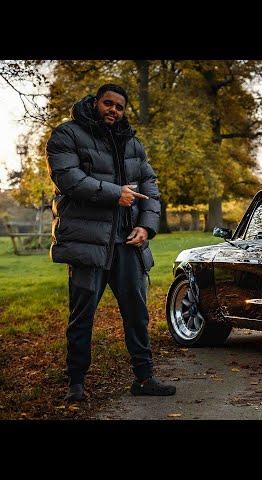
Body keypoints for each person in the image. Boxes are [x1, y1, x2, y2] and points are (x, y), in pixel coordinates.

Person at [46, 84, 176, 401]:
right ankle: (76, 385)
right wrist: (115, 193)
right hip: (89, 243)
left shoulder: (133, 143)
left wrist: (146, 227)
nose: (113, 110)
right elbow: (68, 179)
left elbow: (150, 189)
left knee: (137, 314)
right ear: (95, 102)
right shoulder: (66, 135)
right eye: (108, 103)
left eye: (119, 106)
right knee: (82, 315)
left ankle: (144, 379)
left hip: (128, 243)